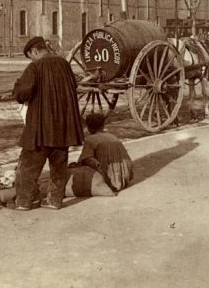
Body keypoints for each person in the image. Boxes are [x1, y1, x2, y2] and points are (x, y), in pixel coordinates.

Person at [12, 36, 84, 210]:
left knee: (27, 166)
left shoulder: (35, 67)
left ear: (34, 51)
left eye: (30, 56)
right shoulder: (65, 65)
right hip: (64, 127)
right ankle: (54, 200)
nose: (31, 59)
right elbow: (73, 86)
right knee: (59, 167)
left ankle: (24, 202)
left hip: (41, 128)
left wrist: (17, 87)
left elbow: (22, 94)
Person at [72, 113, 133, 195]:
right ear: (103, 126)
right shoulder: (113, 136)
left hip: (108, 179)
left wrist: (76, 165)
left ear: (89, 128)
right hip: (124, 179)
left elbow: (85, 158)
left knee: (82, 164)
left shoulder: (91, 139)